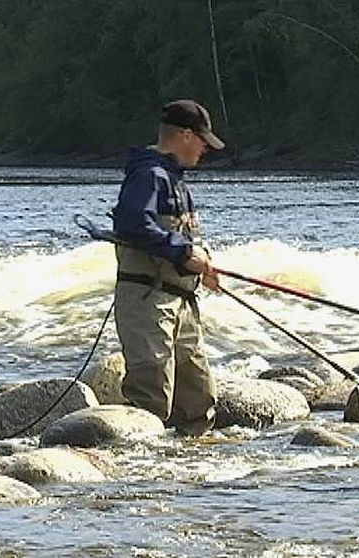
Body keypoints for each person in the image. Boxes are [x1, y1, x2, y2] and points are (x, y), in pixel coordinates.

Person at [111, 99, 225, 436]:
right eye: (204, 141)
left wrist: (204, 266)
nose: (206, 149)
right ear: (186, 135)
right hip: (148, 300)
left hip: (182, 302)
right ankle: (143, 474)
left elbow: (179, 235)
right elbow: (133, 224)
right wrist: (184, 252)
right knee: (151, 393)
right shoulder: (149, 175)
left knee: (198, 397)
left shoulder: (174, 178)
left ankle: (191, 472)